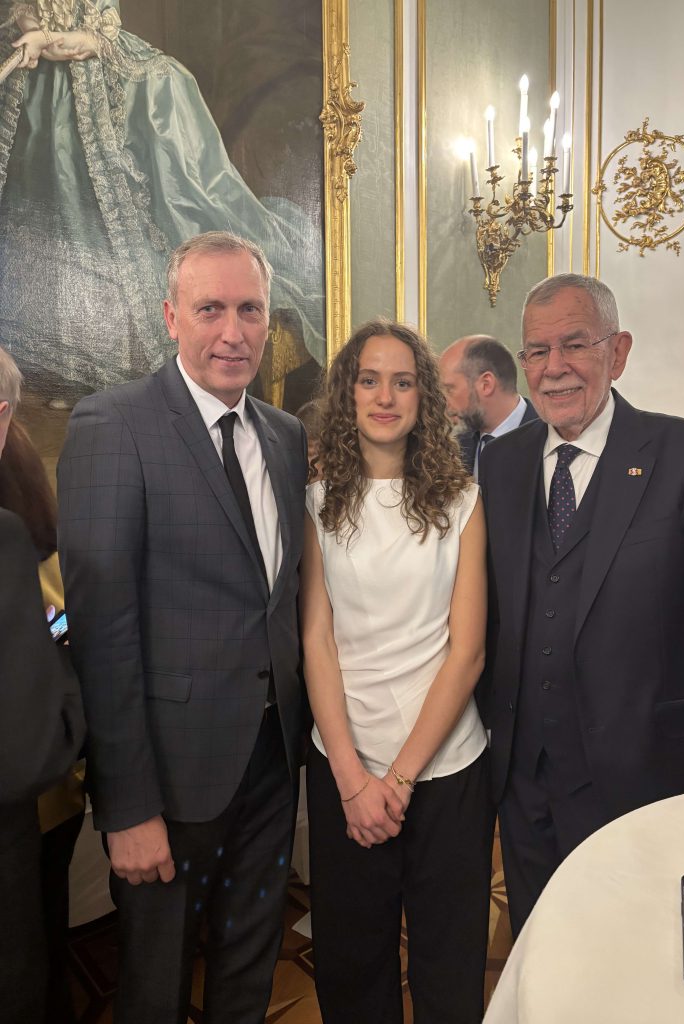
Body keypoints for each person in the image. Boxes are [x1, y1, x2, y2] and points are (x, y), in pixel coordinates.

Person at [57, 231, 308, 1024]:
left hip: (272, 757)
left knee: (250, 960)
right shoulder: (114, 424)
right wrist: (126, 807)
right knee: (156, 982)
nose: (233, 332)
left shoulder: (286, 436)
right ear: (171, 317)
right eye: (210, 310)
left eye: (250, 310)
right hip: (168, 777)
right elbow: (102, 632)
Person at [479, 273, 684, 936]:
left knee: (636, 950)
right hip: (525, 779)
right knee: (540, 945)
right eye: (537, 351)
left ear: (618, 351)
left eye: (574, 344)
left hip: (646, 770)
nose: (554, 368)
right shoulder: (503, 462)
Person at [301, 320, 494, 1024]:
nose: (385, 397)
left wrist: (400, 779)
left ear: (424, 398)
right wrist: (354, 780)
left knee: (450, 960)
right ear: (348, 393)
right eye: (370, 380)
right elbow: (317, 640)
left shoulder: (462, 500)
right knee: (353, 963)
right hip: (346, 765)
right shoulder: (318, 501)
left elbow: (466, 652)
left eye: (403, 382)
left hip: (446, 768)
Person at [0, 0, 323, 398]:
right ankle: (61, 373)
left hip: (92, 84)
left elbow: (97, 39)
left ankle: (101, 377)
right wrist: (30, 30)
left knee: (168, 83)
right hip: (37, 97)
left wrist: (45, 40)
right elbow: (21, 11)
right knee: (51, 221)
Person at [0, 346, 85, 1024]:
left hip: (39, 780)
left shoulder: (21, 499)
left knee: (36, 932)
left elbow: (59, 618)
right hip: (34, 772)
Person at [439, 334, 538, 476]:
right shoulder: (453, 449)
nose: (444, 402)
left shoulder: (550, 440)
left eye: (449, 389)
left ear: (486, 384)